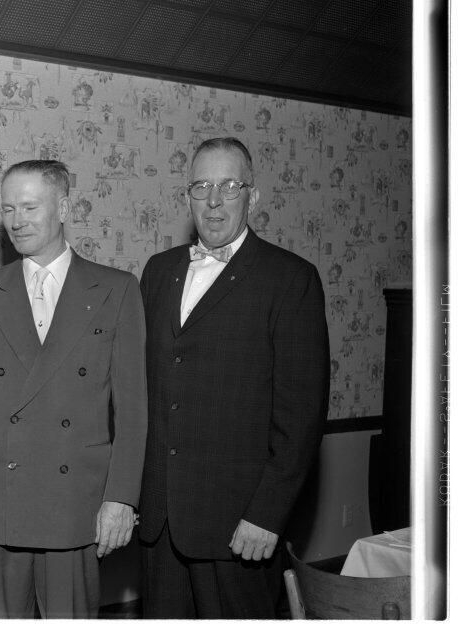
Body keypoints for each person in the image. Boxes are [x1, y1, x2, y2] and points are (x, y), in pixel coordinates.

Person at [138, 137, 330, 619]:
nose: (214, 201)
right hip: (161, 522)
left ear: (253, 196)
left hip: (239, 528)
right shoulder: (158, 272)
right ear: (187, 197)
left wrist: (267, 515)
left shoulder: (290, 279)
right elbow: (146, 392)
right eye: (201, 187)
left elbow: (301, 416)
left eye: (229, 186)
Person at [0, 159, 147, 619]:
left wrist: (121, 498)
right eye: (8, 209)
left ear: (65, 208)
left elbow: (133, 409)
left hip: (76, 501)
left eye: (30, 207)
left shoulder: (116, 290)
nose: (16, 221)